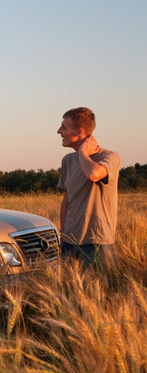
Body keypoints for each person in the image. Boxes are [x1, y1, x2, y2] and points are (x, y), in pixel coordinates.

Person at [57, 107, 120, 266]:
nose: (59, 131)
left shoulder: (109, 157)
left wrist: (83, 153)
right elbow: (66, 201)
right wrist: (64, 237)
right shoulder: (68, 161)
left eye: (64, 127)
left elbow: (93, 174)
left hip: (96, 244)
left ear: (79, 132)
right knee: (68, 290)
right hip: (69, 243)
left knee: (102, 290)